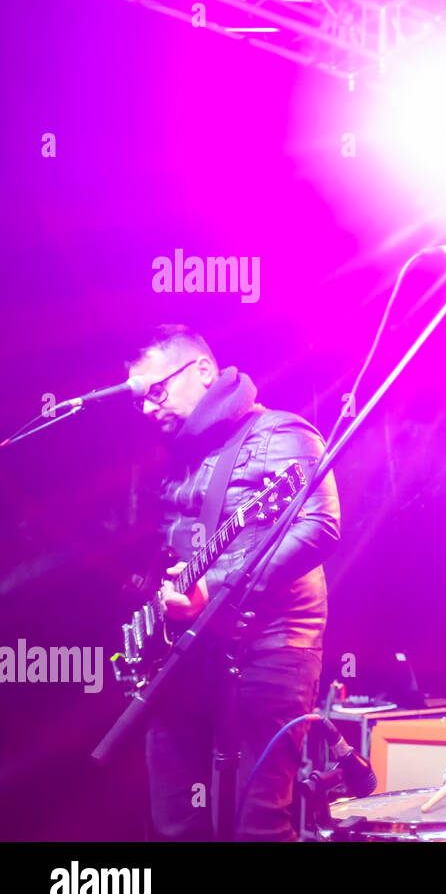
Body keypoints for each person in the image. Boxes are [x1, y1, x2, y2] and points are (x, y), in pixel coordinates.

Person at [128, 324, 341, 840]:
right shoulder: (178, 459)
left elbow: (320, 525)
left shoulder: (281, 433)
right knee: (175, 820)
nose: (148, 408)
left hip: (268, 650)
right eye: (138, 400)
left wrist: (215, 585)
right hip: (188, 651)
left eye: (156, 390)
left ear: (202, 371)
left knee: (256, 823)